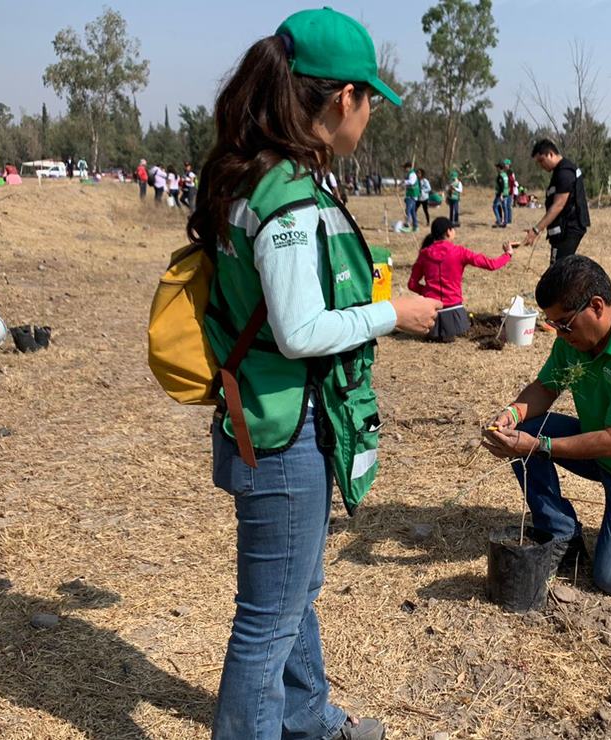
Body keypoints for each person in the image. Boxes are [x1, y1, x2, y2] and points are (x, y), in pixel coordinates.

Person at [185, 8, 440, 738]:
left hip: (261, 416)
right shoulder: (289, 197)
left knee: (295, 593)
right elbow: (299, 332)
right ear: (341, 99)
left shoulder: (253, 174)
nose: (369, 119)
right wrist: (397, 314)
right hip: (284, 429)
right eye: (368, 103)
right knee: (265, 623)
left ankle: (310, 721)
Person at [482, 255, 611, 597]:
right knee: (530, 427)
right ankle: (562, 535)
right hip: (601, 453)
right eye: (553, 325)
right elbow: (545, 388)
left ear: (596, 306)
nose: (560, 334)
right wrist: (513, 414)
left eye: (564, 323)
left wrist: (539, 447)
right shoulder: (574, 342)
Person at [409, 216, 512, 342]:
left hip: (430, 318)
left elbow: (412, 284)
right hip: (455, 316)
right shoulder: (459, 252)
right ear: (448, 232)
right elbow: (492, 265)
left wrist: (427, 292)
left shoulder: (424, 254)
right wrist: (508, 254)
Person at [522, 139, 590, 265]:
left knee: (557, 270)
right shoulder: (559, 171)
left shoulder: (565, 172)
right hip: (561, 230)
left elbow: (558, 205)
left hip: (569, 229)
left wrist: (536, 230)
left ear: (550, 154)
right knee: (559, 270)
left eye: (541, 160)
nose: (541, 165)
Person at [402, 161, 419, 231]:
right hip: (411, 194)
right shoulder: (410, 174)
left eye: (405, 168)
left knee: (408, 210)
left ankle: (407, 225)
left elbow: (411, 182)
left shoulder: (412, 174)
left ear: (408, 168)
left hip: (412, 195)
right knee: (412, 212)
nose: (404, 169)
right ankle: (415, 226)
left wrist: (404, 182)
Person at [492, 161, 509, 228]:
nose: (496, 168)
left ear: (499, 168)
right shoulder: (505, 175)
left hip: (501, 194)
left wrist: (501, 194)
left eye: (497, 167)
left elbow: (502, 186)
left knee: (494, 206)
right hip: (506, 193)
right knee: (505, 208)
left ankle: (499, 221)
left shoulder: (500, 176)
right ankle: (505, 222)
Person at [503, 159, 516, 226]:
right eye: (504, 164)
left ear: (509, 165)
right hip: (506, 191)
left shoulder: (510, 172)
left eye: (506, 164)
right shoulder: (505, 172)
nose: (505, 165)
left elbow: (512, 182)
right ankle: (507, 220)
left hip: (510, 192)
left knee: (508, 206)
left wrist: (509, 190)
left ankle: (509, 220)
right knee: (506, 206)